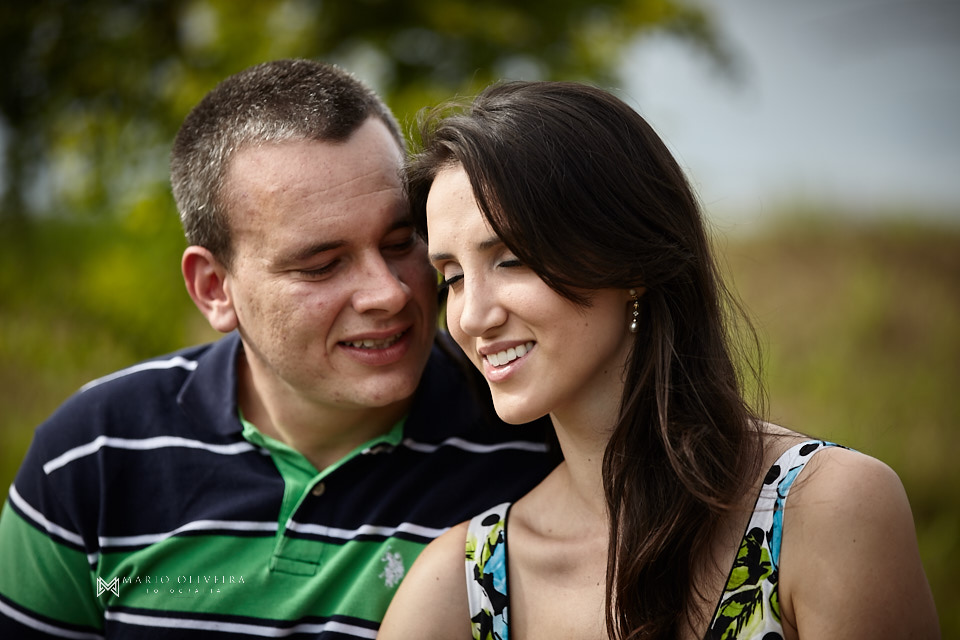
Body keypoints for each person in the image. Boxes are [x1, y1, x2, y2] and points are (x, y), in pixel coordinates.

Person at [0, 60, 555, 639]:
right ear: (215, 289)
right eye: (322, 265)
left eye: (400, 242)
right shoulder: (93, 454)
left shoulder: (534, 435)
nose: (388, 293)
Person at [378, 81, 940, 639]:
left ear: (631, 263)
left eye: (511, 260)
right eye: (450, 278)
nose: (472, 317)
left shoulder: (823, 510)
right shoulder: (457, 589)